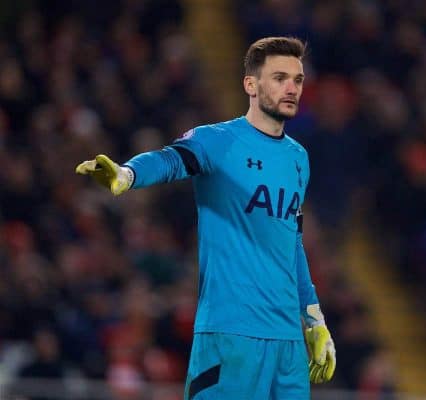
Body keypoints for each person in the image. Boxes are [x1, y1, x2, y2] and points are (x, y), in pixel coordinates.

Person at [76, 36, 336, 399]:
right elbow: (170, 160)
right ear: (251, 84)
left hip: (288, 345)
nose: (291, 88)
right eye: (279, 78)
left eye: (298, 79)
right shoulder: (219, 141)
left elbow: (290, 240)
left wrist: (313, 318)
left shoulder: (298, 159)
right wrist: (127, 175)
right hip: (231, 335)